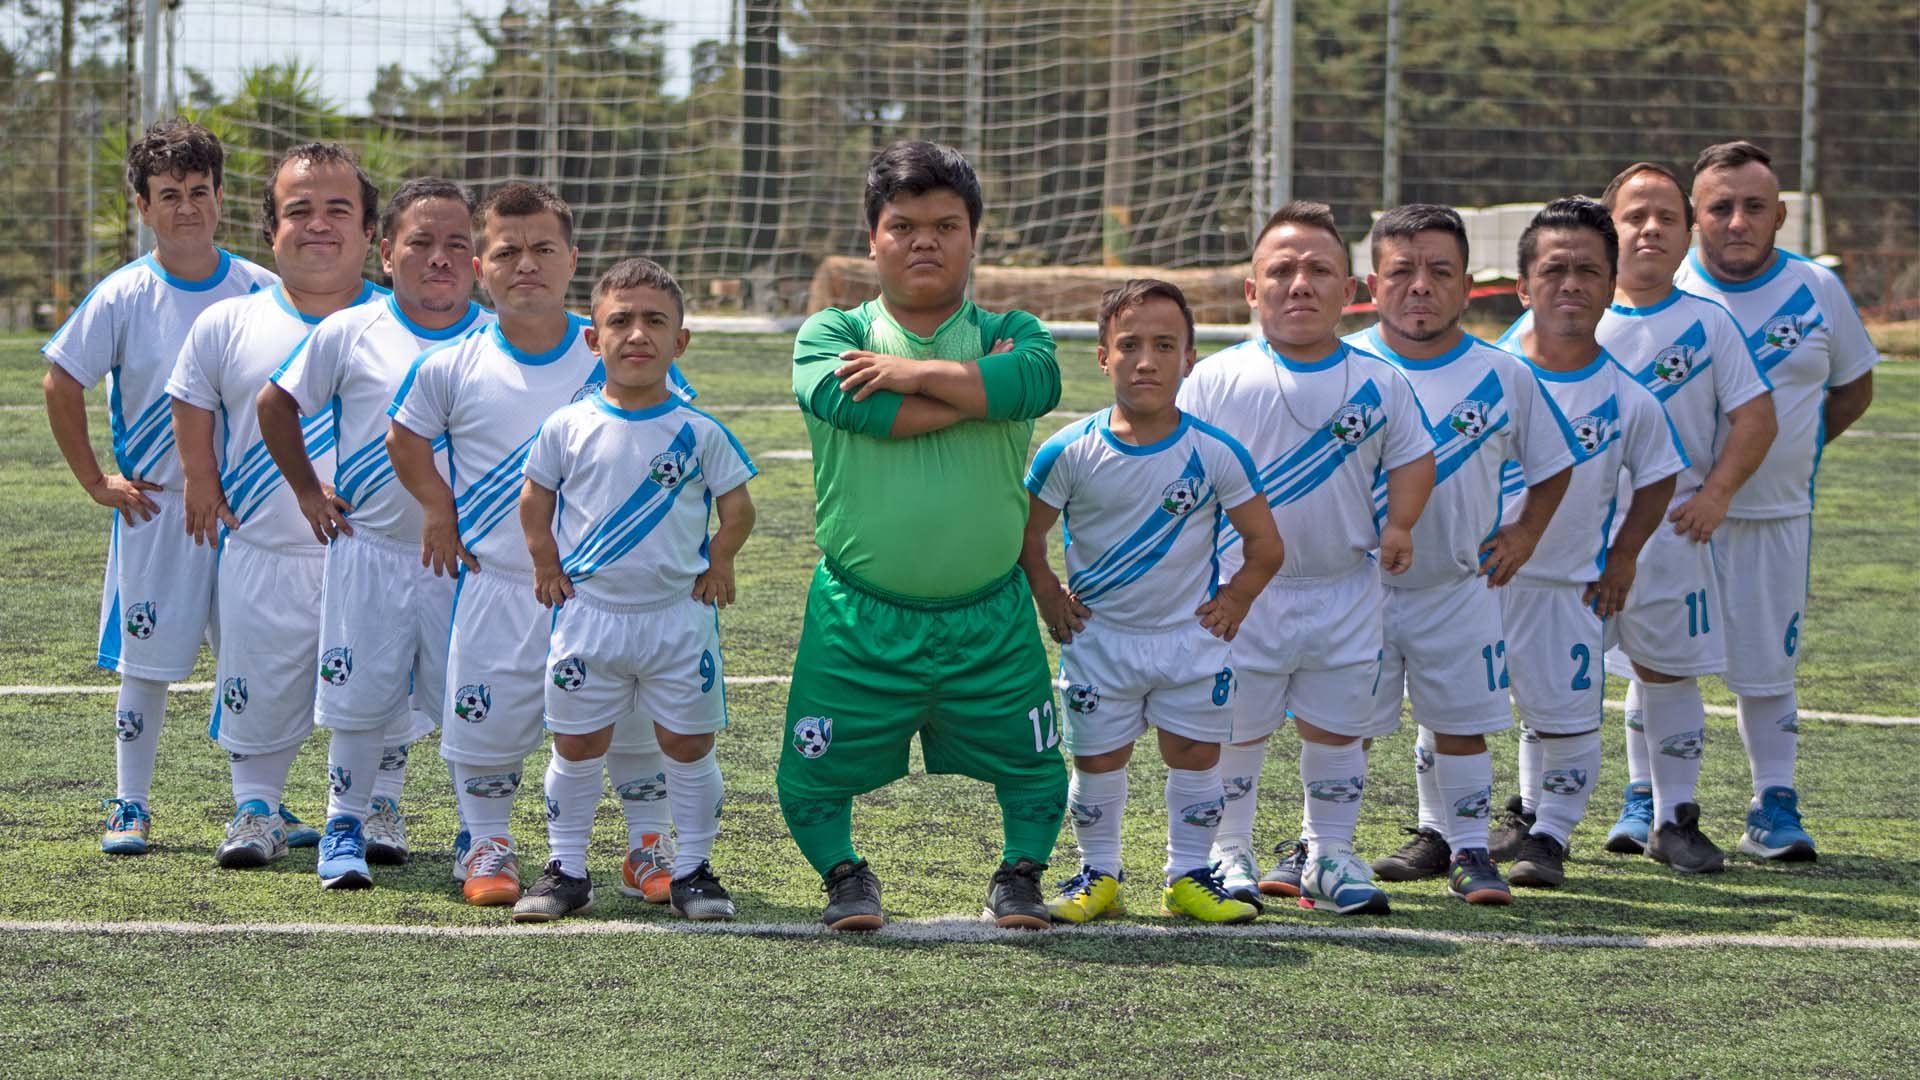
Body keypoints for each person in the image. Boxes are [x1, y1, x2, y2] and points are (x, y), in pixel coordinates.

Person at [778, 141, 1067, 931]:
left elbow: (1037, 382)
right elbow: (869, 413)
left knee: (1037, 769)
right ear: (873, 239)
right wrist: (984, 391)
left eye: (945, 224)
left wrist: (908, 371)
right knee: (808, 777)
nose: (924, 241)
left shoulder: (1016, 327)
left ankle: (1019, 875)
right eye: (903, 225)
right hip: (858, 616)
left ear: (974, 236)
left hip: (992, 614)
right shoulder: (829, 332)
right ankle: (844, 874)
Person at [388, 183, 693, 908]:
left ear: (571, 260)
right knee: (488, 719)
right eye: (507, 251)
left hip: (609, 594)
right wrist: (437, 508)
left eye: (543, 249)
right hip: (501, 583)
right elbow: (405, 435)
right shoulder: (453, 364)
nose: (526, 264)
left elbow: (679, 445)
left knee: (632, 725)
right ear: (481, 267)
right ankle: (489, 843)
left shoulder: (617, 348)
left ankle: (646, 844)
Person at [1507, 163, 1776, 870]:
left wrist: (1714, 493)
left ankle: (1675, 818)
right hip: (1563, 542)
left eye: (1665, 216)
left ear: (1688, 230)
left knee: (1667, 670)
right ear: (1610, 229)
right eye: (1634, 216)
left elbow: (1757, 416)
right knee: (1547, 678)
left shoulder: (1707, 322)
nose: (1650, 229)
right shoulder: (1537, 326)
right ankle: (1530, 815)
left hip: (1666, 533)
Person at [1176, 200, 1436, 916]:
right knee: (1237, 728)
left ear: (1349, 291)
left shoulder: (1381, 381)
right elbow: (1182, 471)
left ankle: (1329, 855)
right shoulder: (1216, 379)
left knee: (1337, 729)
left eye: (1319, 269)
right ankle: (1229, 853)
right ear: (1252, 291)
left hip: (1345, 589)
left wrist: (1403, 524)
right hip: (1241, 595)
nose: (1300, 283)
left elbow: (1414, 457)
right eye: (1281, 271)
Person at [41, 119, 276, 855]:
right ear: (142, 207)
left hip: (242, 513)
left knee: (251, 657)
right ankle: (130, 805)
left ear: (220, 198)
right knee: (147, 668)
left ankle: (258, 808)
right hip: (156, 509)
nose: (186, 208)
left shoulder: (260, 290)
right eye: (168, 195)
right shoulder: (122, 295)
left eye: (199, 192)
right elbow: (61, 379)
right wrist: (93, 479)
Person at [1020, 279, 1283, 926]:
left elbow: (1265, 545)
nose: (1147, 360)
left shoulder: (1215, 453)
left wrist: (1237, 600)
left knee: (1196, 757)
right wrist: (1050, 594)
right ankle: (1099, 874)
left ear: (1189, 358)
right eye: (1130, 345)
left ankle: (1188, 877)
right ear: (1103, 357)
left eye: (1165, 345)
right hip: (1099, 641)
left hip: (1190, 642)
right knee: (1097, 760)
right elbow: (1025, 536)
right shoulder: (1069, 450)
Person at [258, 178, 492, 888]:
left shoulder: (497, 338)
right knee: (357, 701)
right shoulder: (350, 330)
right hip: (371, 552)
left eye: (458, 244)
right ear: (387, 254)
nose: (440, 258)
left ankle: (479, 837)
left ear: (478, 261)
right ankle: (344, 826)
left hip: (470, 565)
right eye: (421, 243)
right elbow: (276, 404)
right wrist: (305, 488)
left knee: (472, 700)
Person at [1341, 204, 1577, 905]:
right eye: (1402, 271)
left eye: (1439, 271)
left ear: (1468, 284)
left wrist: (1525, 534)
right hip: (1356, 589)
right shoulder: (1342, 365)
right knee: (1344, 728)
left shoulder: (1503, 374)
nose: (1420, 286)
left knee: (1463, 726)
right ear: (1371, 283)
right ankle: (1321, 847)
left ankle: (1471, 851)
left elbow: (1555, 463)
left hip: (1458, 586)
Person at [515, 258, 756, 923]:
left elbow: (738, 510)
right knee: (577, 743)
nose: (637, 334)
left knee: (687, 745)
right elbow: (534, 501)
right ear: (594, 340)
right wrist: (544, 563)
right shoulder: (567, 426)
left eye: (656, 321)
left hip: (677, 618)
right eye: (619, 320)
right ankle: (566, 869)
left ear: (681, 341)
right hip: (588, 616)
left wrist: (720, 562)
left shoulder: (700, 431)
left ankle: (693, 871)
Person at [165, 142, 384, 869]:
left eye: (337, 210)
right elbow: (191, 396)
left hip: (374, 553)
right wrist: (200, 476)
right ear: (270, 231)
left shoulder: (401, 324)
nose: (318, 224)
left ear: (370, 233)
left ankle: (377, 808)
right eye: (299, 211)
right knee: (255, 683)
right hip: (263, 548)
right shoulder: (228, 323)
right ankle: (255, 809)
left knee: (384, 684)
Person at [1672, 141, 1878, 862]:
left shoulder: (1816, 290)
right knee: (1658, 661)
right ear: (1693, 215)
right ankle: (1654, 804)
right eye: (1720, 207)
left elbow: (1853, 385)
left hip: (1777, 515)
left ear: (1781, 215)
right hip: (1678, 518)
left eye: (1754, 207)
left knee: (1768, 667)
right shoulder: (1668, 289)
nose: (1737, 221)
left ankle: (1772, 807)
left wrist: (1799, 448)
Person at [1488, 197, 1686, 888]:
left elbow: (1659, 479)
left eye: (1587, 271)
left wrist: (1624, 555)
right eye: (1554, 269)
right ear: (1523, 285)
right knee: (1453, 710)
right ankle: (1445, 831)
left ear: (1610, 285)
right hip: (1476, 581)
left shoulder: (1629, 398)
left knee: (1565, 716)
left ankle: (1549, 836)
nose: (1569, 284)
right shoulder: (1487, 374)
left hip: (1568, 584)